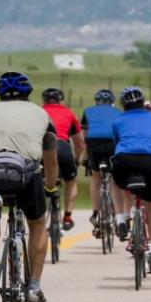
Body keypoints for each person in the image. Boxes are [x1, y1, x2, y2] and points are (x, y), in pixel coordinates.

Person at [0, 72, 60, 302]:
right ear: (28, 93)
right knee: (37, 224)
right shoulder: (41, 114)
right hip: (27, 174)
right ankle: (34, 287)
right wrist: (50, 187)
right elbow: (51, 160)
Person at [111, 86, 151, 275]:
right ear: (143, 103)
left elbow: (118, 141)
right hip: (150, 161)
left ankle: (120, 218)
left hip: (124, 160)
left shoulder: (118, 120)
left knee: (115, 181)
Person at [80, 89, 124, 236]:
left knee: (95, 176)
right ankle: (119, 217)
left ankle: (95, 213)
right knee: (114, 179)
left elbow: (84, 139)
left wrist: (85, 157)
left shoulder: (88, 111)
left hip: (94, 144)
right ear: (112, 102)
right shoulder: (118, 112)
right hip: (112, 144)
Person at [41, 88, 85, 231]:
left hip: (44, 148)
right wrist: (77, 160)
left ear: (44, 100)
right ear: (61, 100)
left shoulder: (39, 112)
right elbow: (79, 143)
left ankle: (39, 217)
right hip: (63, 147)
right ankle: (67, 217)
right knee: (71, 181)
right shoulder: (68, 113)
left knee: (39, 180)